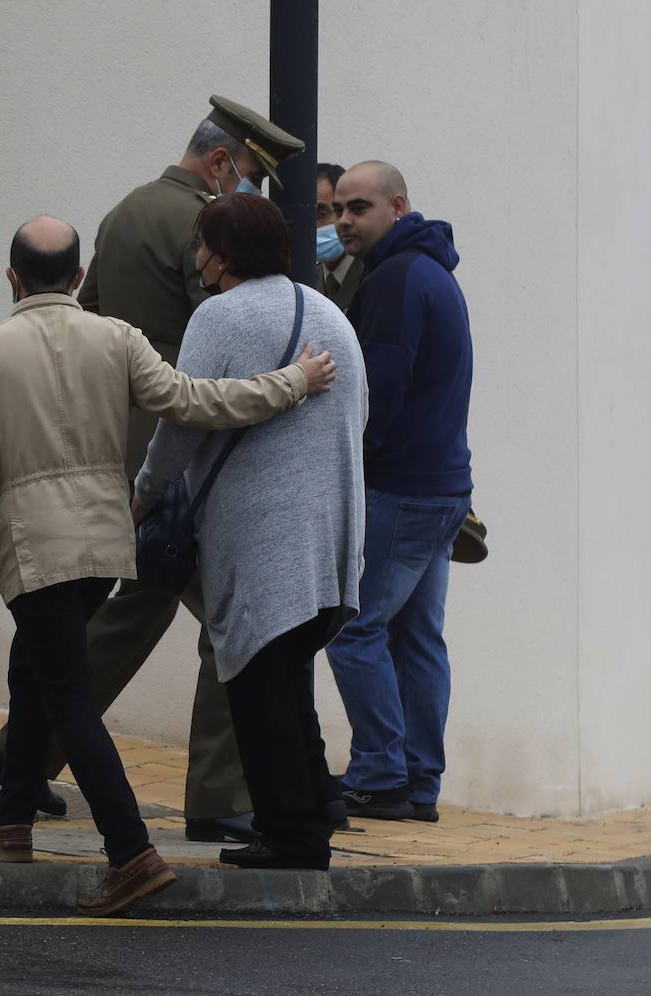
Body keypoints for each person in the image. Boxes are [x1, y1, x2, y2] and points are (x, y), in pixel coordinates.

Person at [0, 215, 337, 915]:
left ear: (11, 278)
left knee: (64, 692)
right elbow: (196, 404)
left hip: (34, 549)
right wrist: (291, 382)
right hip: (103, 543)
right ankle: (11, 824)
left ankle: (130, 853)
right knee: (34, 673)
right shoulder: (117, 338)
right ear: (80, 278)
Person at [0, 96, 306, 845]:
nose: (249, 195)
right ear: (221, 163)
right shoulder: (203, 224)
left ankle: (20, 755)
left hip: (128, 452)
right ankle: (219, 793)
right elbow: (222, 330)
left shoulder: (125, 212)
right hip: (179, 455)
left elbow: (82, 315)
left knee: (135, 609)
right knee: (230, 617)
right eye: (251, 176)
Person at [133, 193, 367, 871]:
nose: (197, 255)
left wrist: (146, 495)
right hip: (330, 533)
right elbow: (361, 417)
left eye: (204, 242)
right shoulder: (330, 315)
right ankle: (313, 811)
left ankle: (291, 835)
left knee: (260, 689)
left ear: (225, 253)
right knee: (289, 676)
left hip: (263, 533)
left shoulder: (221, 315)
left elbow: (181, 418)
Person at [323, 161, 474, 824]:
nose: (345, 222)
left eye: (359, 208)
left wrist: (348, 468)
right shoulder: (433, 272)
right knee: (416, 637)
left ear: (398, 205)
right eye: (339, 211)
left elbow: (376, 398)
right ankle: (418, 782)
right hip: (443, 489)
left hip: (402, 488)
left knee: (352, 627)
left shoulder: (394, 280)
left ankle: (380, 774)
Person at [315, 162, 362, 311]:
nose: (313, 225)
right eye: (306, 215)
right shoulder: (303, 281)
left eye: (321, 214)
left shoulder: (373, 276)